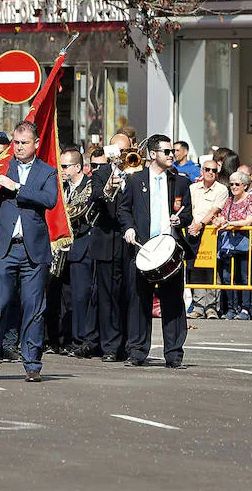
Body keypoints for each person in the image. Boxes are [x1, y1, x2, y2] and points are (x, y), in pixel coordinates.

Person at [0, 121, 58, 382]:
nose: (19, 147)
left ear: (35, 144)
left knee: (34, 308)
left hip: (33, 251)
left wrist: (18, 188)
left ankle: (32, 364)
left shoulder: (47, 172)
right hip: (5, 248)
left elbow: (50, 200)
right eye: (16, 142)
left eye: (24, 142)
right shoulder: (1, 167)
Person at [119, 134, 193, 369]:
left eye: (172, 151)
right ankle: (137, 351)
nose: (172, 155)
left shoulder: (180, 181)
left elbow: (188, 213)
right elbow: (124, 210)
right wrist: (129, 228)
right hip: (144, 250)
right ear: (153, 154)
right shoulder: (135, 180)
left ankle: (173, 353)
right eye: (166, 152)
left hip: (169, 250)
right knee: (139, 301)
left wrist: (179, 220)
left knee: (173, 302)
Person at [89, 133, 131, 362]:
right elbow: (94, 197)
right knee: (106, 297)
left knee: (129, 295)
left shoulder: (136, 173)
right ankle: (110, 347)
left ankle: (130, 344)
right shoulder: (102, 173)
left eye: (123, 151)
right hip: (107, 241)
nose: (119, 156)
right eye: (115, 152)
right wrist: (109, 187)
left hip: (129, 243)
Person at [52, 147, 97, 358]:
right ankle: (65, 338)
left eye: (65, 166)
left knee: (81, 296)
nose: (61, 170)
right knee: (65, 298)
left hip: (82, 246)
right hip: (63, 250)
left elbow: (83, 214)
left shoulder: (89, 186)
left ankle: (81, 340)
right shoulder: (62, 187)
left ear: (78, 167)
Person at [213, 171, 252, 320]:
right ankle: (232, 308)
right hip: (228, 243)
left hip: (245, 242)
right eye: (231, 184)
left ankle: (246, 308)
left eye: (237, 184)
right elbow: (223, 216)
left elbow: (249, 221)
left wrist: (230, 224)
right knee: (228, 277)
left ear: (245, 185)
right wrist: (219, 221)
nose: (233, 187)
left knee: (245, 277)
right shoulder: (229, 200)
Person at [186, 160, 229, 319]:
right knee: (195, 268)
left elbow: (214, 210)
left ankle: (211, 307)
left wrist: (200, 224)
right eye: (208, 169)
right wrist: (193, 225)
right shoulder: (192, 188)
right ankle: (198, 306)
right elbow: (189, 208)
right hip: (193, 231)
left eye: (214, 170)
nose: (211, 172)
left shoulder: (221, 189)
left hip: (211, 232)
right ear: (202, 171)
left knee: (211, 269)